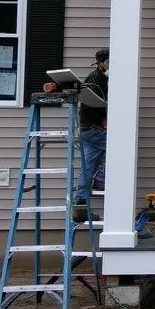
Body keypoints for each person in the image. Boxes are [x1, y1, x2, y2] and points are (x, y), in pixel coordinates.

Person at [44, 49, 108, 221]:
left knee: (87, 167)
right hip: (95, 129)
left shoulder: (93, 79)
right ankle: (101, 178)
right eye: (109, 61)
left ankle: (80, 206)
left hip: (87, 130)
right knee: (121, 148)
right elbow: (103, 105)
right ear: (102, 63)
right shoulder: (97, 79)